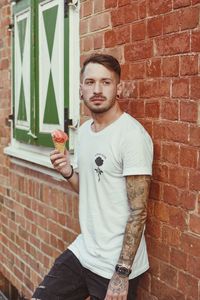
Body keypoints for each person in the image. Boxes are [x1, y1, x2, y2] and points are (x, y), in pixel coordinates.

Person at [32, 54, 153, 300]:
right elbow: (90, 189)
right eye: (90, 82)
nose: (97, 89)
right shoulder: (85, 131)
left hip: (116, 264)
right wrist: (68, 172)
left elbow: (138, 212)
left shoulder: (131, 136)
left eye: (106, 82)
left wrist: (121, 274)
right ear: (80, 89)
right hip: (84, 250)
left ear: (118, 88)